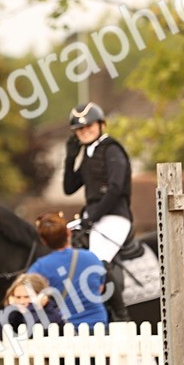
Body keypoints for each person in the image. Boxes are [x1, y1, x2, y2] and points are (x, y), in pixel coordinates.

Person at [63, 102, 132, 321]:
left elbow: (115, 189)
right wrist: (70, 158)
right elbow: (68, 188)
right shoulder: (89, 153)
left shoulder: (112, 149)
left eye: (89, 126)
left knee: (97, 260)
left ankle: (121, 316)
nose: (84, 131)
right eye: (79, 129)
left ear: (101, 125)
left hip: (114, 216)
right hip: (91, 217)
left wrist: (90, 218)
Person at [28, 211, 108, 328]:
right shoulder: (92, 257)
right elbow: (100, 288)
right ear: (68, 232)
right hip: (98, 323)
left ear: (44, 241)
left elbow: (28, 296)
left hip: (66, 328)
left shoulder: (39, 267)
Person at [0, 272, 65, 337]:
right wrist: (11, 309)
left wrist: (35, 306)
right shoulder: (14, 315)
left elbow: (33, 329)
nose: (22, 301)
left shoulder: (51, 313)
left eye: (27, 297)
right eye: (18, 297)